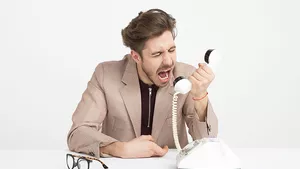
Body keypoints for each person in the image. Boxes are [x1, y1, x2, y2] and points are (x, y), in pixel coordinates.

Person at [67, 8, 218, 159]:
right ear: (136, 56)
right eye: (157, 54)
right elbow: (78, 133)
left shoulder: (186, 76)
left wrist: (200, 97)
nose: (168, 61)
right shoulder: (105, 74)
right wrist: (119, 148)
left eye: (171, 50)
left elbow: (207, 142)